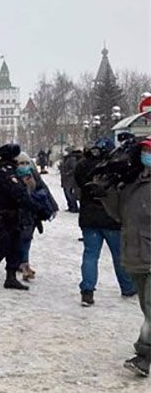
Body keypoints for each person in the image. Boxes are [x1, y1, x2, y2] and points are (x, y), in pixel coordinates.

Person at [98, 136, 151, 377]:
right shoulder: (133, 183)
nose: (146, 155)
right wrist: (104, 193)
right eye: (145, 150)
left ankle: (144, 355)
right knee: (146, 309)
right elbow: (120, 215)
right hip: (135, 255)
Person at [0, 144, 51, 291]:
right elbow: (19, 194)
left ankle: (11, 277)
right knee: (4, 244)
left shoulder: (10, 170)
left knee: (15, 244)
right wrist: (39, 209)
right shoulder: (5, 171)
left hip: (11, 214)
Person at [74, 138, 136, 307]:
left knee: (90, 254)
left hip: (89, 216)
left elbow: (79, 184)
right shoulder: (115, 166)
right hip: (111, 217)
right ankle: (127, 286)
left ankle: (87, 291)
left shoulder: (82, 165)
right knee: (119, 255)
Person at [14, 152, 58, 280]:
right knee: (21, 239)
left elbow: (43, 189)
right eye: (21, 163)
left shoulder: (33, 174)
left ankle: (24, 264)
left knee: (27, 239)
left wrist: (52, 206)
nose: (24, 166)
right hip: (19, 213)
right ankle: (21, 264)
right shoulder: (13, 176)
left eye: (27, 163)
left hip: (32, 213)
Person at [60, 148, 82, 213]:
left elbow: (74, 168)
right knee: (66, 193)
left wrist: (68, 173)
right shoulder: (65, 159)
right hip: (65, 179)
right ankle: (70, 206)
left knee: (69, 193)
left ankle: (74, 207)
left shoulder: (71, 159)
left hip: (70, 179)